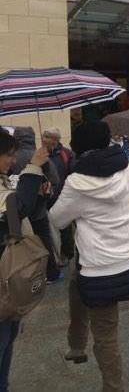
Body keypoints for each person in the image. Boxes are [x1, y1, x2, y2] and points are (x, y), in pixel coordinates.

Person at [49, 121, 129, 392]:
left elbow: (56, 220)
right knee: (75, 284)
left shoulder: (77, 182)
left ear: (79, 149)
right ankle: (77, 344)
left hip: (103, 271)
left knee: (106, 334)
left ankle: (113, 388)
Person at [0, 129, 50, 392]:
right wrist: (33, 167)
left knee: (8, 336)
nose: (12, 160)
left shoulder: (4, 180)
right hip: (3, 279)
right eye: (8, 155)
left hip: (7, 281)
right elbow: (17, 208)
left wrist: (37, 185)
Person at [12, 126, 62, 283]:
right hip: (38, 205)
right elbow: (55, 179)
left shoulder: (11, 157)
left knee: (19, 241)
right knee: (44, 238)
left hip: (16, 206)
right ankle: (52, 272)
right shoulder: (40, 155)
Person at [42, 128, 76, 262]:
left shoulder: (66, 154)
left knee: (65, 227)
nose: (44, 139)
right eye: (44, 136)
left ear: (55, 140)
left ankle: (67, 253)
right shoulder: (40, 154)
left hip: (63, 196)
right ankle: (54, 254)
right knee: (50, 228)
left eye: (48, 136)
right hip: (47, 197)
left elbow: (73, 173)